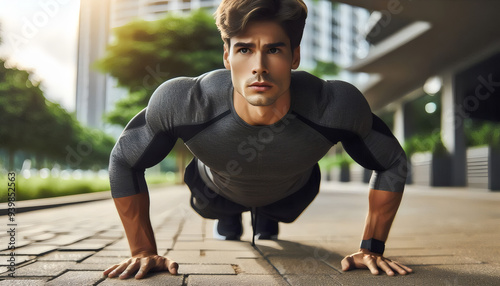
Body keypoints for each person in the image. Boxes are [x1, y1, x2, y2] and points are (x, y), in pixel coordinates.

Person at [103, 0, 413, 280]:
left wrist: (371, 247)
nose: (259, 67)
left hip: (290, 194)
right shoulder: (184, 100)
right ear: (227, 56)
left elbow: (392, 162)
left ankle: (264, 216)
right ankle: (231, 217)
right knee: (223, 216)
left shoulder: (335, 104)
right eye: (245, 49)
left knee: (271, 220)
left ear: (295, 56)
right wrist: (142, 250)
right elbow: (124, 160)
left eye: (274, 49)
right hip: (214, 191)